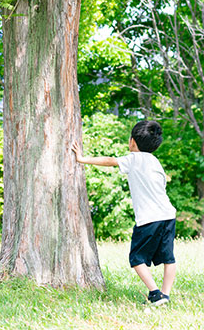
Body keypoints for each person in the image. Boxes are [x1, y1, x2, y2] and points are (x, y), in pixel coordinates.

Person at [72, 120, 177, 307]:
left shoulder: (133, 159)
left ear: (133, 142)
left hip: (149, 218)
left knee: (136, 258)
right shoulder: (155, 162)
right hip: (168, 215)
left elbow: (109, 161)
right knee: (168, 258)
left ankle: (155, 293)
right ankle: (166, 295)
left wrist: (81, 158)